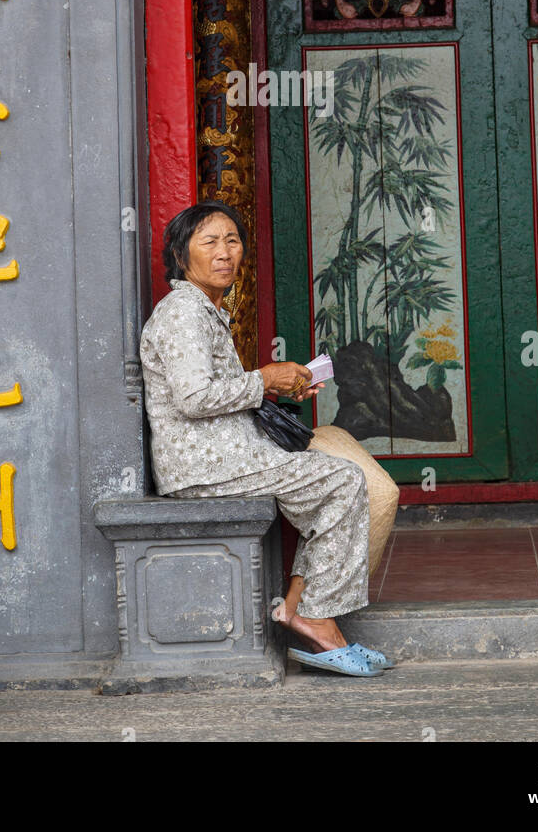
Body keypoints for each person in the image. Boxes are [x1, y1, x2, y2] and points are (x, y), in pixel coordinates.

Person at [138, 199, 394, 676]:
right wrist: (264, 378)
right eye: (209, 242)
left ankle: (300, 607)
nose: (224, 253)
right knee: (342, 481)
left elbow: (220, 394)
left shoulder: (205, 310)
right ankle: (314, 617)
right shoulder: (182, 311)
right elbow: (193, 398)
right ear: (180, 254)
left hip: (227, 454)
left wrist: (281, 383)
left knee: (335, 482)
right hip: (203, 463)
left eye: (232, 241)